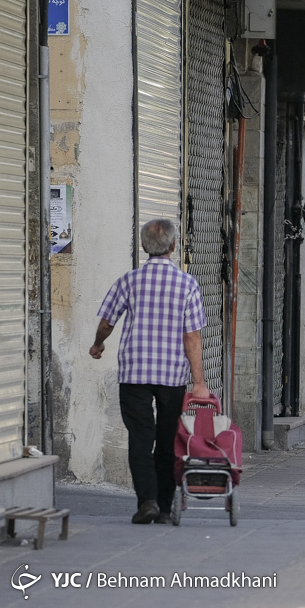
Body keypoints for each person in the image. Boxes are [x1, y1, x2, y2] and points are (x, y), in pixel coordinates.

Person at [89, 219, 209, 525]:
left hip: (135, 373)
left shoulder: (129, 281)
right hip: (171, 375)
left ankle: (148, 503)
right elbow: (192, 336)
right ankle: (166, 507)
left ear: (144, 247)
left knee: (140, 439)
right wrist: (199, 382)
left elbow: (107, 322)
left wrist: (98, 344)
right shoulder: (187, 284)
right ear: (173, 246)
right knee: (169, 440)